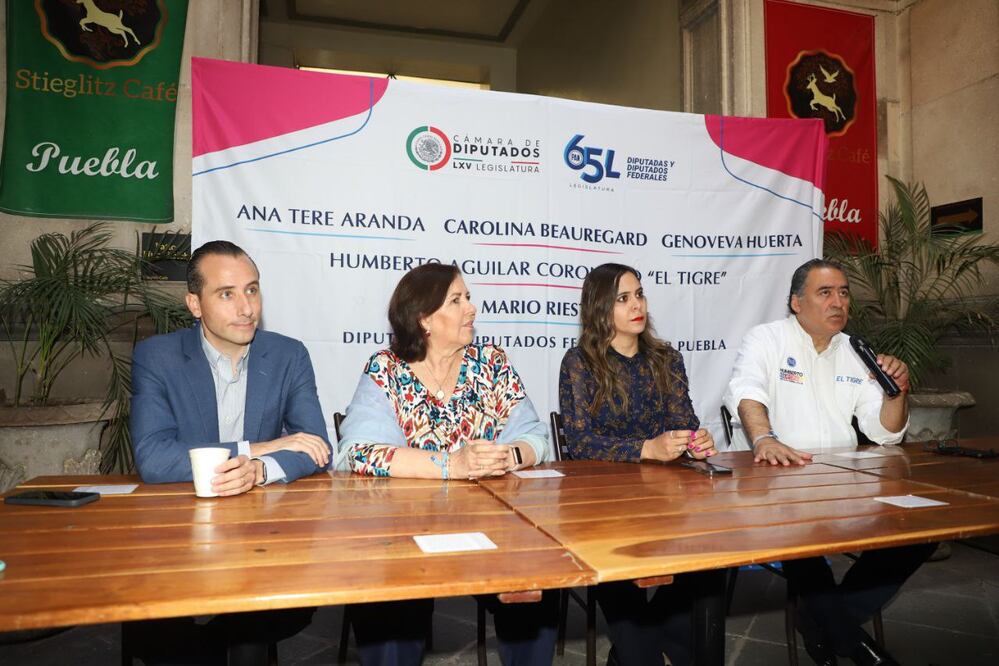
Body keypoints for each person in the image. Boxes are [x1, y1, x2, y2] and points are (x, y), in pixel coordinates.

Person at [336, 262, 556, 666]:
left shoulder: (490, 363)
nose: (471, 308)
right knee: (387, 601)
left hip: (491, 527)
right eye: (457, 300)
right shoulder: (387, 370)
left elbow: (538, 438)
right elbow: (358, 452)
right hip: (407, 531)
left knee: (536, 579)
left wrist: (511, 454)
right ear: (424, 319)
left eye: (468, 298)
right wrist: (451, 464)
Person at [723, 258, 935, 666]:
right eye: (825, 293)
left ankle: (824, 620)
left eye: (843, 292)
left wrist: (897, 394)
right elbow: (746, 389)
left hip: (846, 484)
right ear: (796, 303)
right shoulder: (766, 339)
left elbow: (885, 433)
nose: (838, 302)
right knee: (802, 537)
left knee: (924, 529)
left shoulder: (857, 351)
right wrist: (764, 438)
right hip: (778, 481)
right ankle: (849, 641)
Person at [128, 240, 332, 664]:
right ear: (194, 304)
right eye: (227, 294)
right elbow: (154, 457)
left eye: (252, 290)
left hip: (260, 535)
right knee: (167, 626)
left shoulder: (288, 355)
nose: (246, 307)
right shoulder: (158, 357)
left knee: (263, 615)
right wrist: (258, 447)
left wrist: (258, 469)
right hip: (179, 533)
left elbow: (314, 445)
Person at [558, 263, 717, 666]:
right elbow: (578, 442)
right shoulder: (579, 362)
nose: (637, 305)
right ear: (599, 309)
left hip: (664, 498)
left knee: (712, 561)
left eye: (640, 294)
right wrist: (647, 449)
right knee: (623, 575)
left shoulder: (666, 358)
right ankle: (643, 648)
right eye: (623, 298)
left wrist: (695, 440)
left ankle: (642, 646)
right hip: (602, 504)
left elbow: (684, 420)